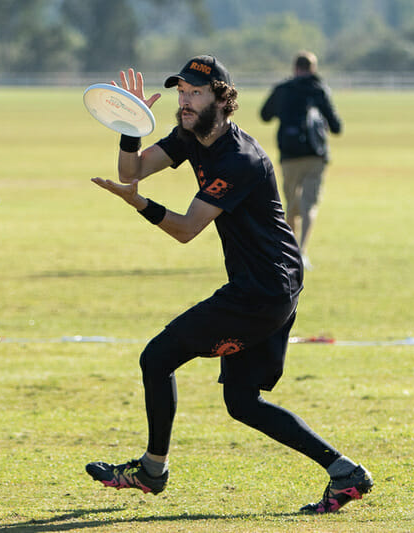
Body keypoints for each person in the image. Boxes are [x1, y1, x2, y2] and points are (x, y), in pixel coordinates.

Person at [86, 55, 372, 513]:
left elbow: (184, 229)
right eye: (180, 93)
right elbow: (130, 170)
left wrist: (139, 205)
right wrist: (131, 123)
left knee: (157, 358)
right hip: (272, 285)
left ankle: (152, 470)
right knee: (241, 401)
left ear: (222, 97)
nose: (184, 101)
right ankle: (345, 473)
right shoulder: (190, 135)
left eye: (195, 93)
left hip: (260, 291)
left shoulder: (240, 159)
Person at [260, 51, 342, 270]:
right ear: (313, 68)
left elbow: (265, 115)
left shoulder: (283, 89)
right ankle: (302, 251)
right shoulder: (319, 89)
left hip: (289, 155)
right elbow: (336, 127)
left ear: (294, 67)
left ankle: (290, 252)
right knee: (309, 205)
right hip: (316, 155)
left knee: (290, 204)